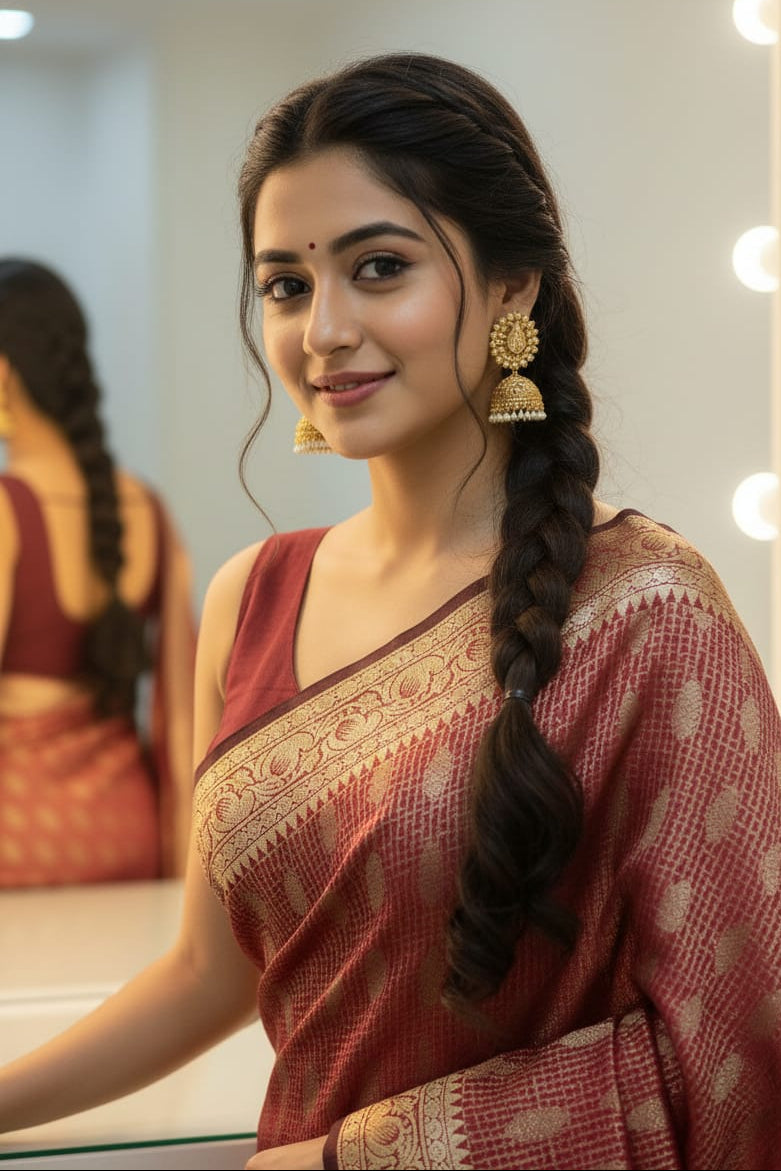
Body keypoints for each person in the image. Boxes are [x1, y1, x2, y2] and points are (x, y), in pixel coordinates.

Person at [1, 52, 780, 1170]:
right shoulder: (254, 594)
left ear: (514, 287)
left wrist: (351, 1157)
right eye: (285, 284)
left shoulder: (648, 614)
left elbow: (735, 1048)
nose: (322, 329)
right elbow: (203, 977)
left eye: (378, 267)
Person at [0, 258, 197, 882]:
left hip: (20, 842)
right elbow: (186, 723)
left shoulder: (7, 510)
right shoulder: (149, 508)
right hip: (128, 836)